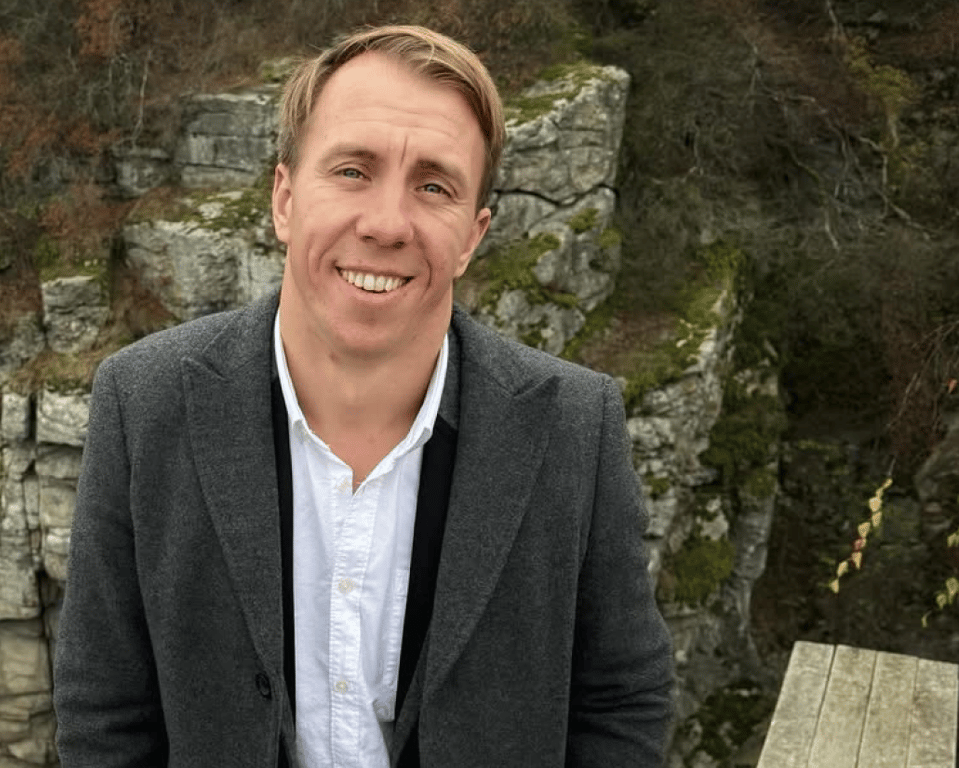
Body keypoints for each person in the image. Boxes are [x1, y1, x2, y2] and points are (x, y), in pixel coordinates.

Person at [53, 24, 674, 768]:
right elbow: (105, 712)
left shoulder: (575, 426)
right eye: (352, 170)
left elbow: (621, 701)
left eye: (434, 187)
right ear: (285, 199)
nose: (385, 224)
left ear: (473, 236)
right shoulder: (143, 404)